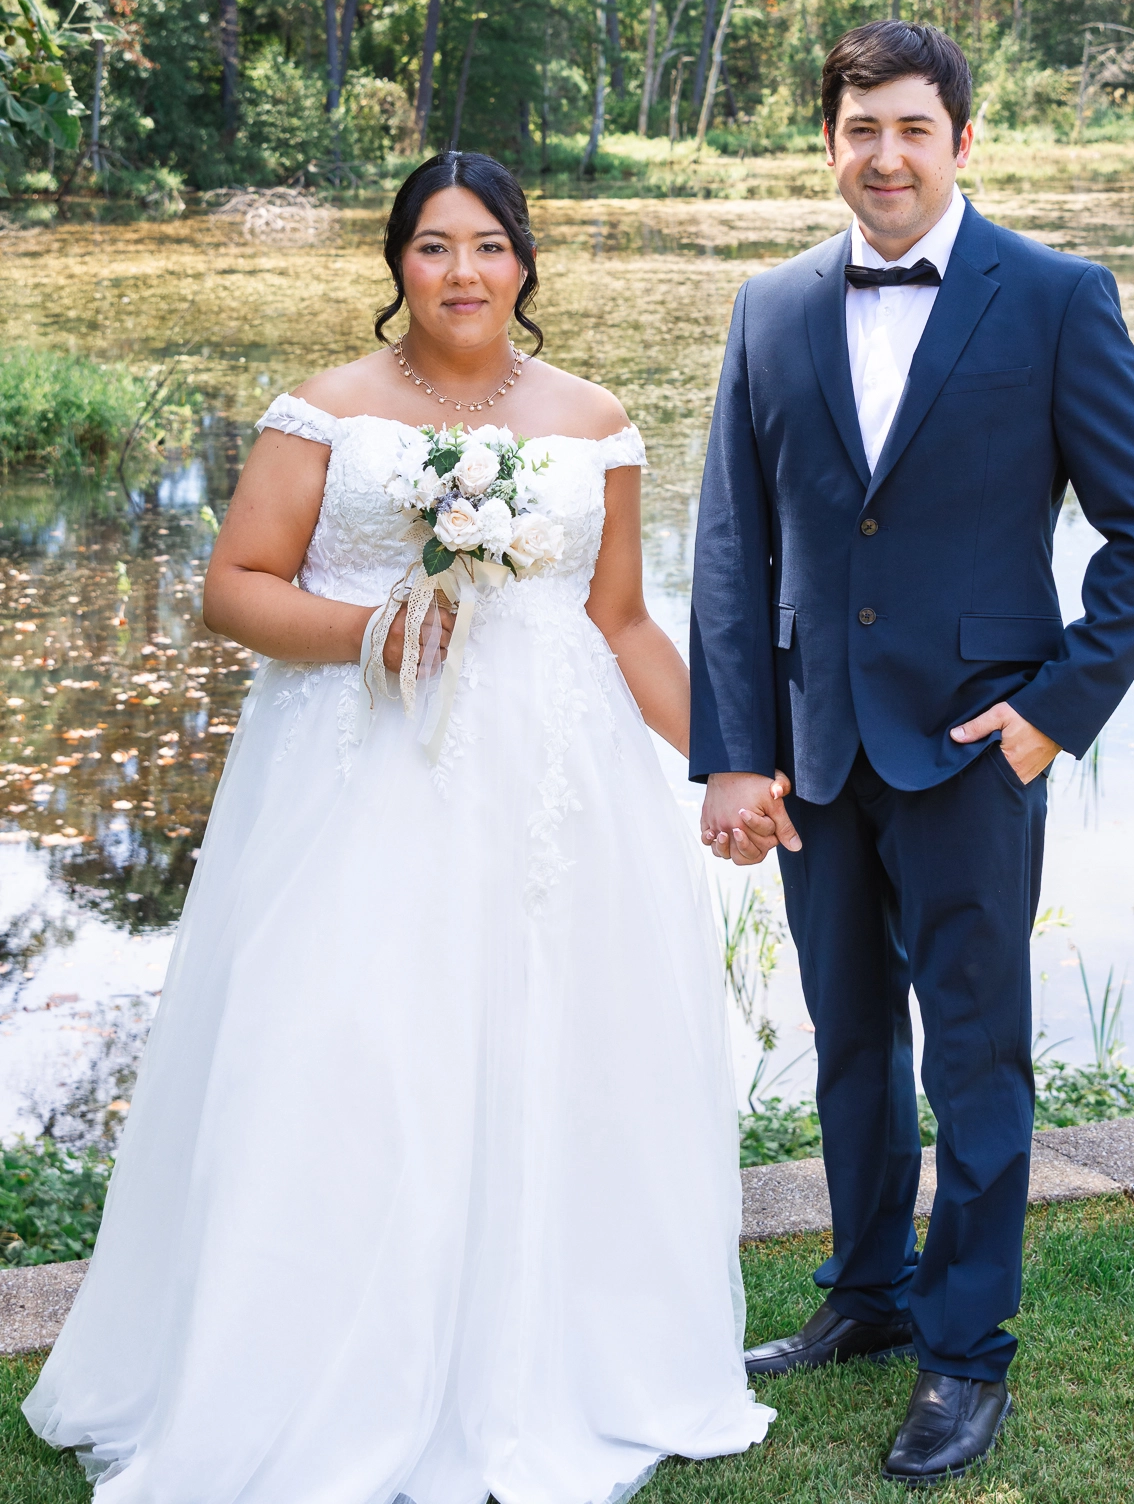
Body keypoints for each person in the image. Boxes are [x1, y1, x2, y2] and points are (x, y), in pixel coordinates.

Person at [26, 151, 772, 1504]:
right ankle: (308, 1370)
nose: (464, 272)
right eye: (434, 247)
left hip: (554, 797)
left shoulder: (596, 420)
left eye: (488, 244)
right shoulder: (324, 411)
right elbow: (234, 587)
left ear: (525, 261)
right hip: (359, 782)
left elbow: (618, 622)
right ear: (397, 264)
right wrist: (367, 631)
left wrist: (728, 762)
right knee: (351, 1053)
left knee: (556, 1053)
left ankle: (547, 1361)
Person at [689, 21, 1134, 1488]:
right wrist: (736, 749)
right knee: (852, 1042)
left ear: (962, 141)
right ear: (831, 143)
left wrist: (1056, 711)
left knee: (976, 1059)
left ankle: (967, 1352)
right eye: (862, 130)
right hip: (816, 754)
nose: (887, 156)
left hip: (980, 751)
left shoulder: (1051, 298)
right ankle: (865, 1294)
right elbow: (733, 547)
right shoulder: (769, 306)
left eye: (914, 129)